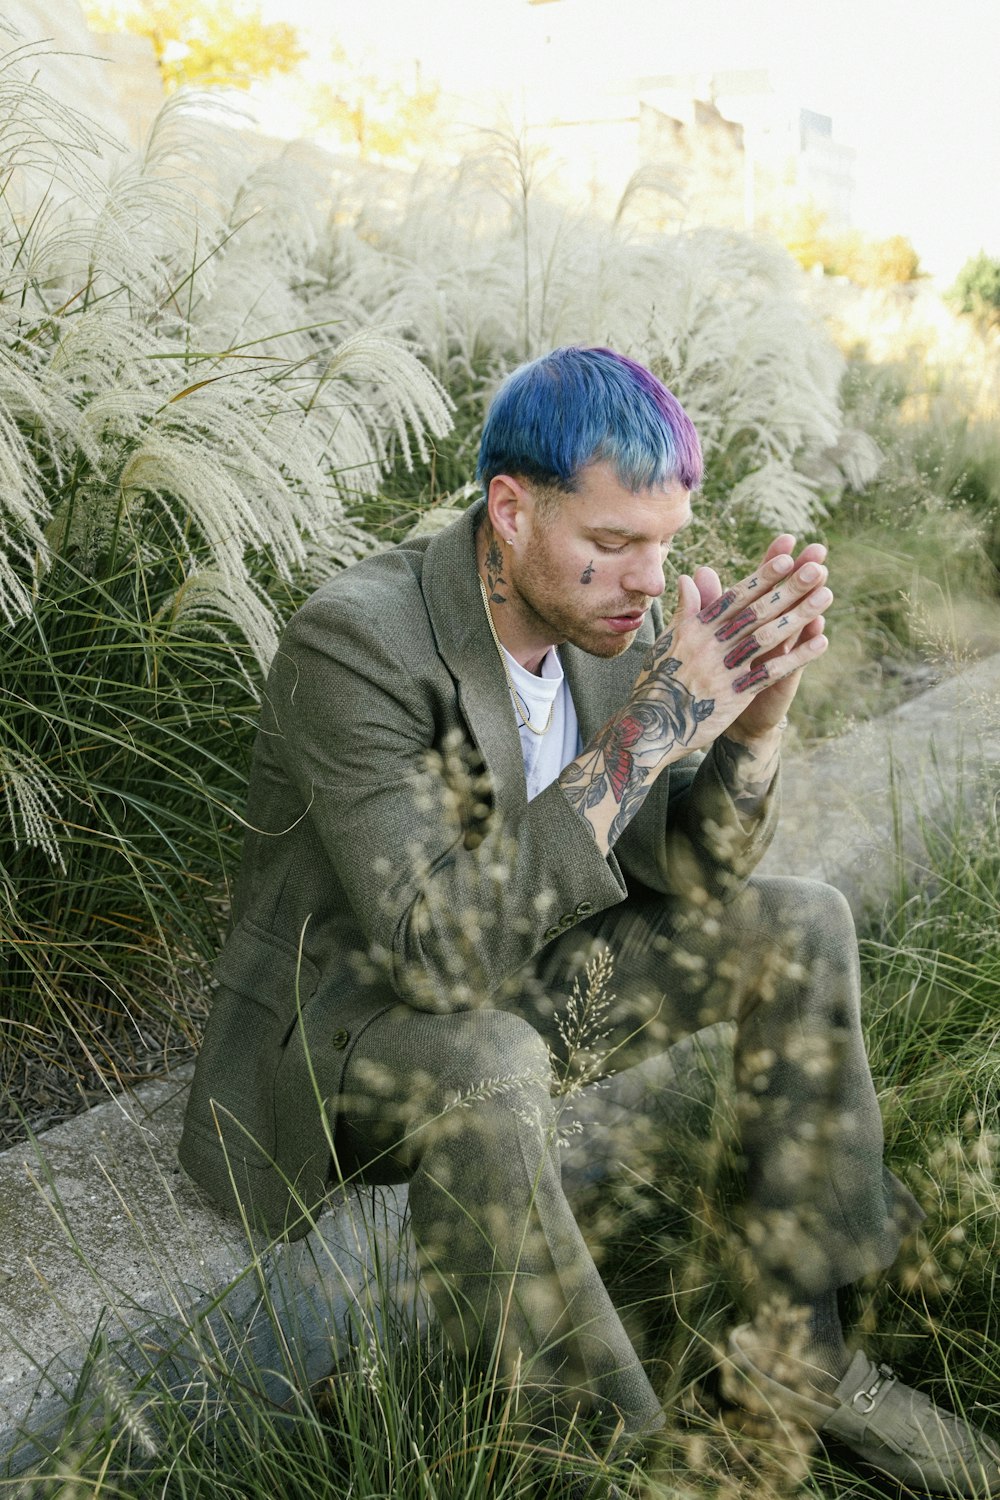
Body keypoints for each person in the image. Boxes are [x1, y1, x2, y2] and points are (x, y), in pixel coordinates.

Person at [180, 346, 1000, 1496]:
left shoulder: (607, 626)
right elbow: (441, 951)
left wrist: (756, 723)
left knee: (799, 920)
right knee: (493, 1056)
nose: (645, 582)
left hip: (539, 961)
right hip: (360, 1025)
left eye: (663, 545)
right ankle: (597, 1462)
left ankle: (802, 1355)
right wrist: (653, 727)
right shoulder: (353, 643)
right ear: (509, 513)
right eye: (611, 543)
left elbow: (695, 869)